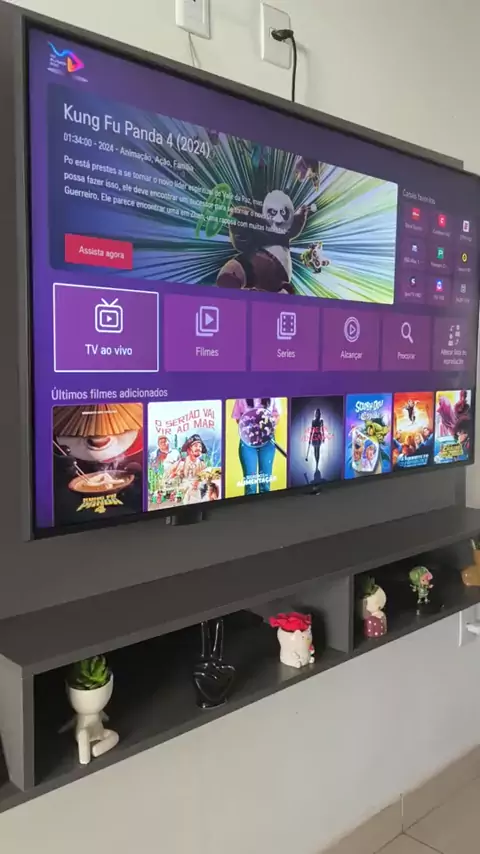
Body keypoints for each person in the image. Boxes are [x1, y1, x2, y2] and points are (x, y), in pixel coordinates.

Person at [232, 398, 281, 495]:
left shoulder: (273, 395)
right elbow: (238, 419)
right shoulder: (241, 397)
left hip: (267, 440)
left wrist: (268, 423)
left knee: (265, 483)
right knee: (250, 484)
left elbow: (277, 415)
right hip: (247, 441)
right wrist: (252, 425)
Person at [305, 408, 325, 477]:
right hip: (314, 436)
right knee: (315, 451)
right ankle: (316, 463)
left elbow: (322, 429)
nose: (317, 414)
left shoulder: (321, 421)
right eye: (316, 413)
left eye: (318, 413)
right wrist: (309, 439)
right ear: (315, 414)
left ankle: (317, 465)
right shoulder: (313, 421)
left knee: (318, 451)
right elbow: (311, 430)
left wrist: (323, 437)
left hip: (319, 436)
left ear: (319, 414)